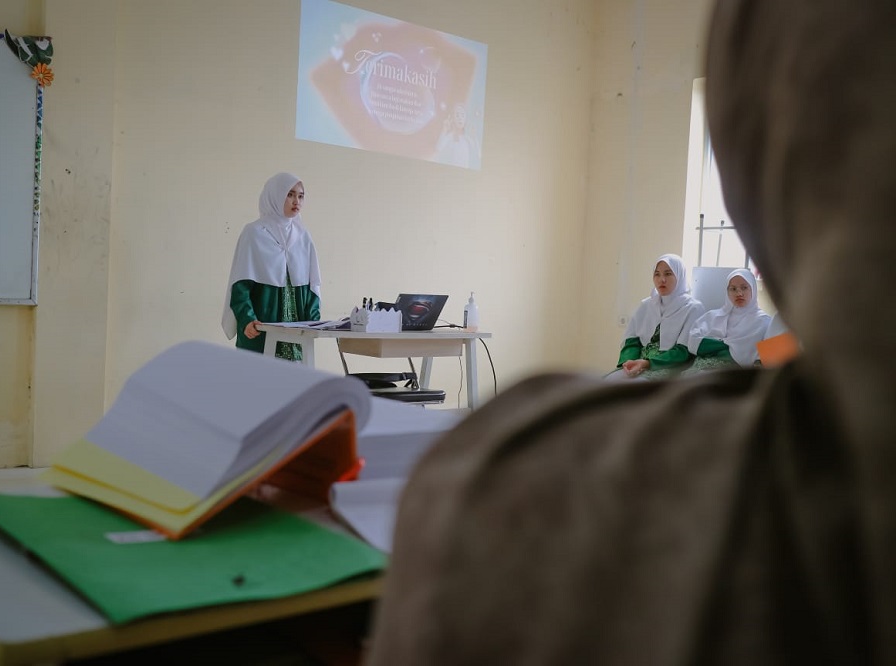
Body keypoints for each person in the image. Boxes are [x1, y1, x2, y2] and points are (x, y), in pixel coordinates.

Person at [367, 1, 896, 664]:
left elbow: (719, 355)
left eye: (736, 285)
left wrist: (662, 362)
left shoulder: (499, 472)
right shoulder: (663, 309)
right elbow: (640, 342)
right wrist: (634, 359)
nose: (721, 290)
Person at [220, 172, 321, 361]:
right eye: (289, 194)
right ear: (275, 195)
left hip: (295, 335)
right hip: (260, 327)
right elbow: (240, 285)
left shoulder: (303, 237)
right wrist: (247, 319)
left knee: (295, 387)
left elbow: (312, 286)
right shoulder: (254, 233)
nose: (296, 201)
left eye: (300, 196)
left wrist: (314, 323)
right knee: (258, 385)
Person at [610, 253, 705, 380]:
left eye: (668, 274)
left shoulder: (693, 308)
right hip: (639, 363)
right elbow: (632, 341)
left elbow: (684, 351)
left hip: (669, 366)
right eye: (657, 274)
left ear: (680, 275)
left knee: (633, 389)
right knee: (606, 385)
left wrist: (647, 363)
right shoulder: (646, 305)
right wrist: (629, 363)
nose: (662, 279)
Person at [682, 268, 771, 375]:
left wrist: (716, 346)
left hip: (731, 373)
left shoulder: (763, 321)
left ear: (753, 289)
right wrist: (727, 346)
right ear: (727, 292)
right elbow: (693, 342)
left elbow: (768, 356)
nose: (739, 293)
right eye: (733, 289)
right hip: (700, 367)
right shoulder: (713, 316)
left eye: (744, 288)